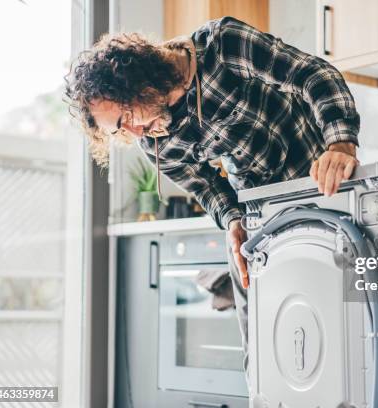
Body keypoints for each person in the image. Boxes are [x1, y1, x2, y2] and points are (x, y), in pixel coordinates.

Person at [65, 16, 360, 377]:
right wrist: (234, 222)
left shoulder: (223, 47)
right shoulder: (156, 141)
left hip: (320, 185)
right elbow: (206, 185)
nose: (133, 131)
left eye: (126, 114)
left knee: (339, 321)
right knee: (262, 338)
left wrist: (340, 144)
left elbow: (313, 75)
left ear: (138, 79)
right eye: (118, 129)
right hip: (260, 214)